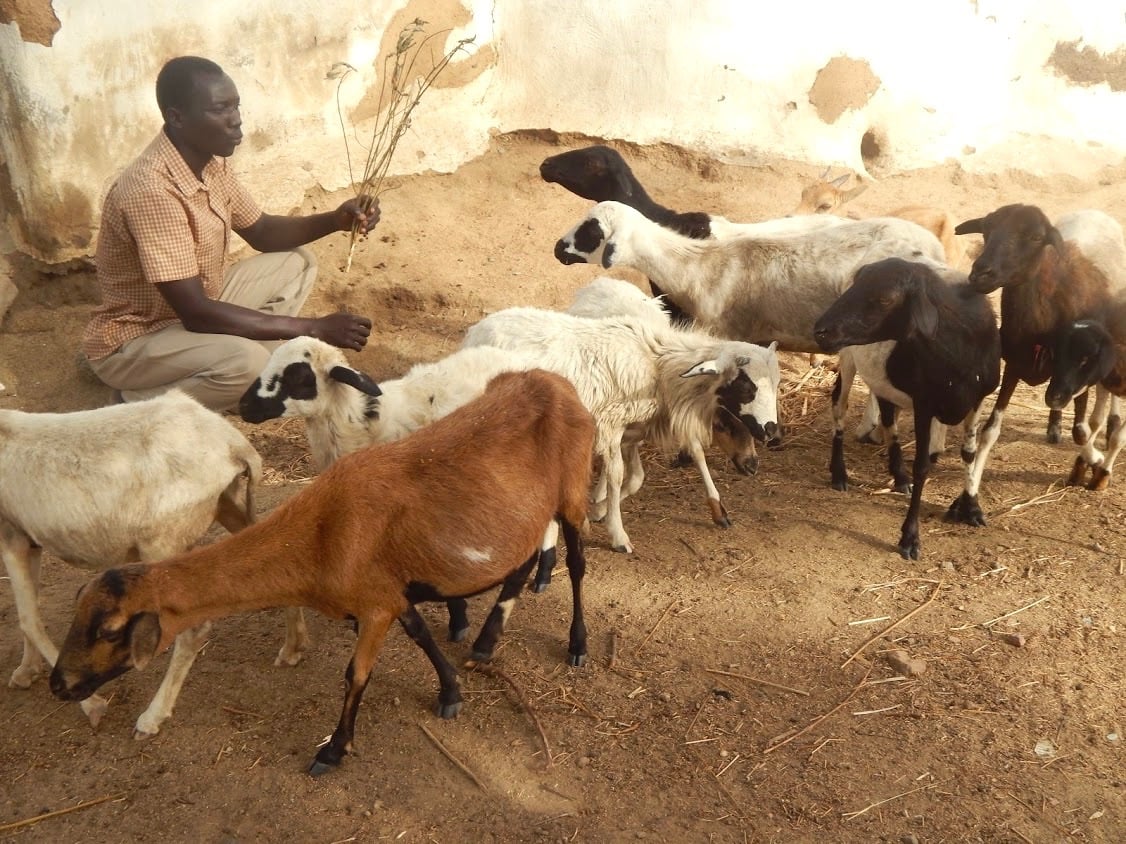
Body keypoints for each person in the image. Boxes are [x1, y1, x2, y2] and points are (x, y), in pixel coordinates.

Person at [82, 55, 376, 411]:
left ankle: (234, 377)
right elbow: (196, 313)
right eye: (220, 108)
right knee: (247, 363)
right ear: (177, 117)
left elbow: (264, 232)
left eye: (236, 105)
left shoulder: (210, 160)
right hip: (141, 337)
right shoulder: (152, 191)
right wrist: (312, 327)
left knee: (296, 263)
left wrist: (334, 220)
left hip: (193, 313)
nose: (236, 119)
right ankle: (135, 403)